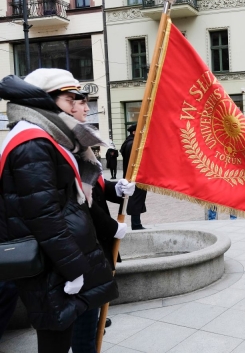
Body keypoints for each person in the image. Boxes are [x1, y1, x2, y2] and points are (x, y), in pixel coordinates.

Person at [0, 69, 118, 353]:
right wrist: (74, 269)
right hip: (52, 265)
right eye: (72, 99)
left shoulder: (46, 136)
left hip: (58, 261)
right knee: (55, 340)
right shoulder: (33, 142)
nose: (83, 106)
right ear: (46, 102)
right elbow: (44, 216)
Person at [69, 91, 132, 353]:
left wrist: (116, 189)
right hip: (85, 244)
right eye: (80, 103)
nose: (86, 108)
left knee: (92, 314)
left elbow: (97, 186)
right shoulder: (67, 147)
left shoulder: (80, 147)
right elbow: (80, 202)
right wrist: (112, 227)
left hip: (95, 242)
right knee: (84, 326)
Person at [121, 124, 148, 229]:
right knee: (136, 199)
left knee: (136, 199)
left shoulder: (129, 143)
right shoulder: (132, 144)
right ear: (134, 132)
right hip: (135, 176)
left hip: (134, 176)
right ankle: (136, 224)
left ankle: (137, 223)